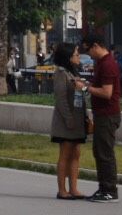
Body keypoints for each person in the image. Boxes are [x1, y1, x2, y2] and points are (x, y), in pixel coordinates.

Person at [82, 33, 122, 202]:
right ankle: (103, 187)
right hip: (101, 114)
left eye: (88, 50)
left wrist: (85, 88)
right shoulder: (101, 63)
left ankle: (110, 190)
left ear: (96, 46)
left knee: (105, 152)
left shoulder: (108, 65)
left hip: (108, 115)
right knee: (99, 151)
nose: (88, 54)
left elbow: (107, 93)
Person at [50, 42, 89, 200]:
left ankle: (74, 188)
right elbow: (61, 99)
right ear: (68, 57)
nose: (79, 57)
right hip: (67, 121)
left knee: (76, 154)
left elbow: (80, 96)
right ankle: (62, 189)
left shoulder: (73, 72)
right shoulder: (61, 73)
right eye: (76, 54)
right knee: (65, 153)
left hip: (78, 119)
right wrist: (68, 119)